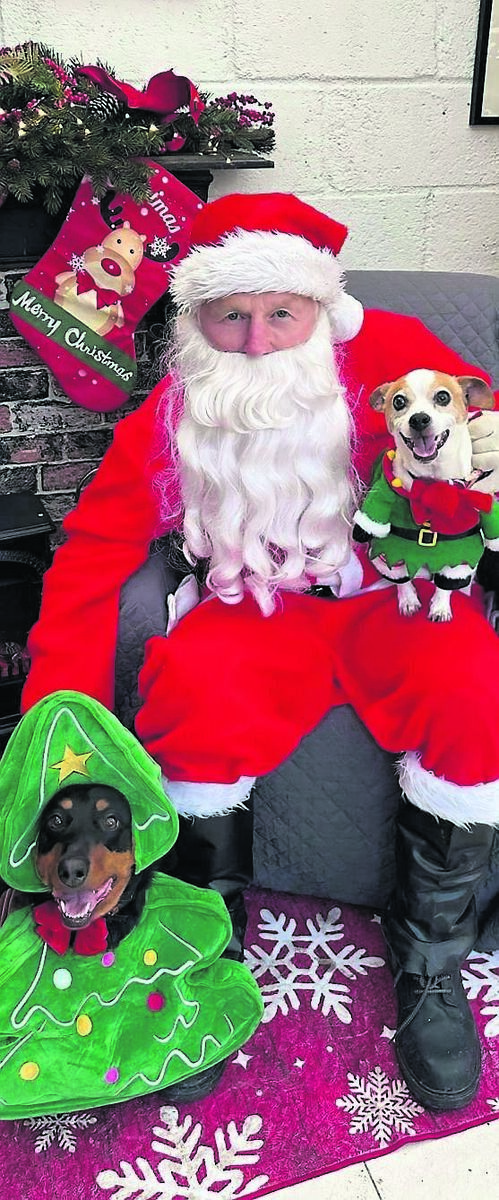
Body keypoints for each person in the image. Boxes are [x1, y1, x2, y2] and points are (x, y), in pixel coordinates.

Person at [21, 191, 499, 1114]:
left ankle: (431, 961)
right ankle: (201, 948)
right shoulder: (177, 405)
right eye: (229, 316)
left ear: (319, 309)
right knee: (190, 694)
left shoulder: (390, 348)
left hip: (387, 595)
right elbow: (93, 553)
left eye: (280, 313)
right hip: (252, 604)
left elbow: (483, 427)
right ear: (196, 319)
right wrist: (62, 716)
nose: (255, 341)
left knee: (472, 691)